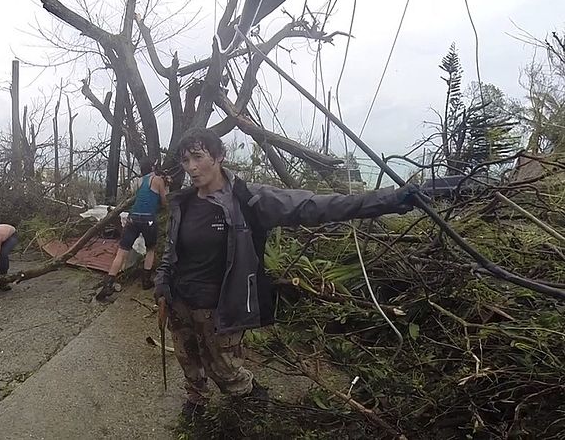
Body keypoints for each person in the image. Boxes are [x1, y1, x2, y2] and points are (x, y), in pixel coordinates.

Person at [154, 128, 419, 419]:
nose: (191, 168)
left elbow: (315, 205)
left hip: (220, 307)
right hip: (180, 303)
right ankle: (197, 399)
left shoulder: (248, 199)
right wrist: (162, 281)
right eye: (185, 160)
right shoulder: (185, 202)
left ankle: (251, 397)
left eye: (198, 157)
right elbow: (172, 249)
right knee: (188, 360)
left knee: (225, 370)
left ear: (219, 157)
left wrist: (389, 201)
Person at [96, 157, 168, 301]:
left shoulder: (139, 181)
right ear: (153, 167)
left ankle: (108, 284)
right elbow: (165, 202)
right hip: (148, 219)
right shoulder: (157, 180)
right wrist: (166, 186)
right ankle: (146, 281)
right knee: (150, 249)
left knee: (122, 252)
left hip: (133, 218)